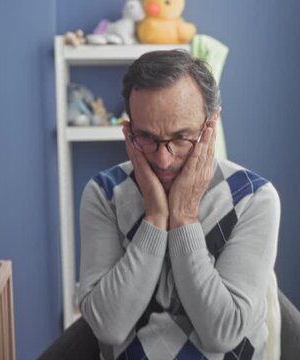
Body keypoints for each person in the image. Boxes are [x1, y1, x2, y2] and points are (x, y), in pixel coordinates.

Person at [78, 49, 280, 359]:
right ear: (128, 130)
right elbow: (109, 327)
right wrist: (156, 217)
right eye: (146, 137)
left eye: (182, 138)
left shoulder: (255, 198)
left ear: (211, 126)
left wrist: (184, 218)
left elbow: (222, 333)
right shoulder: (103, 194)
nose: (163, 158)